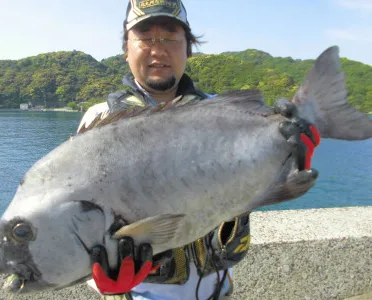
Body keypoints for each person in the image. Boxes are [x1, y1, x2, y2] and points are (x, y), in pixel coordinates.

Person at [76, 1, 319, 299]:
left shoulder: (227, 113)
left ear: (188, 49)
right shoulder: (98, 122)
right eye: (145, 38)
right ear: (126, 49)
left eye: (170, 38)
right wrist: (105, 284)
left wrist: (291, 155)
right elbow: (81, 217)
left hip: (220, 289)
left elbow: (265, 181)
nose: (158, 49)